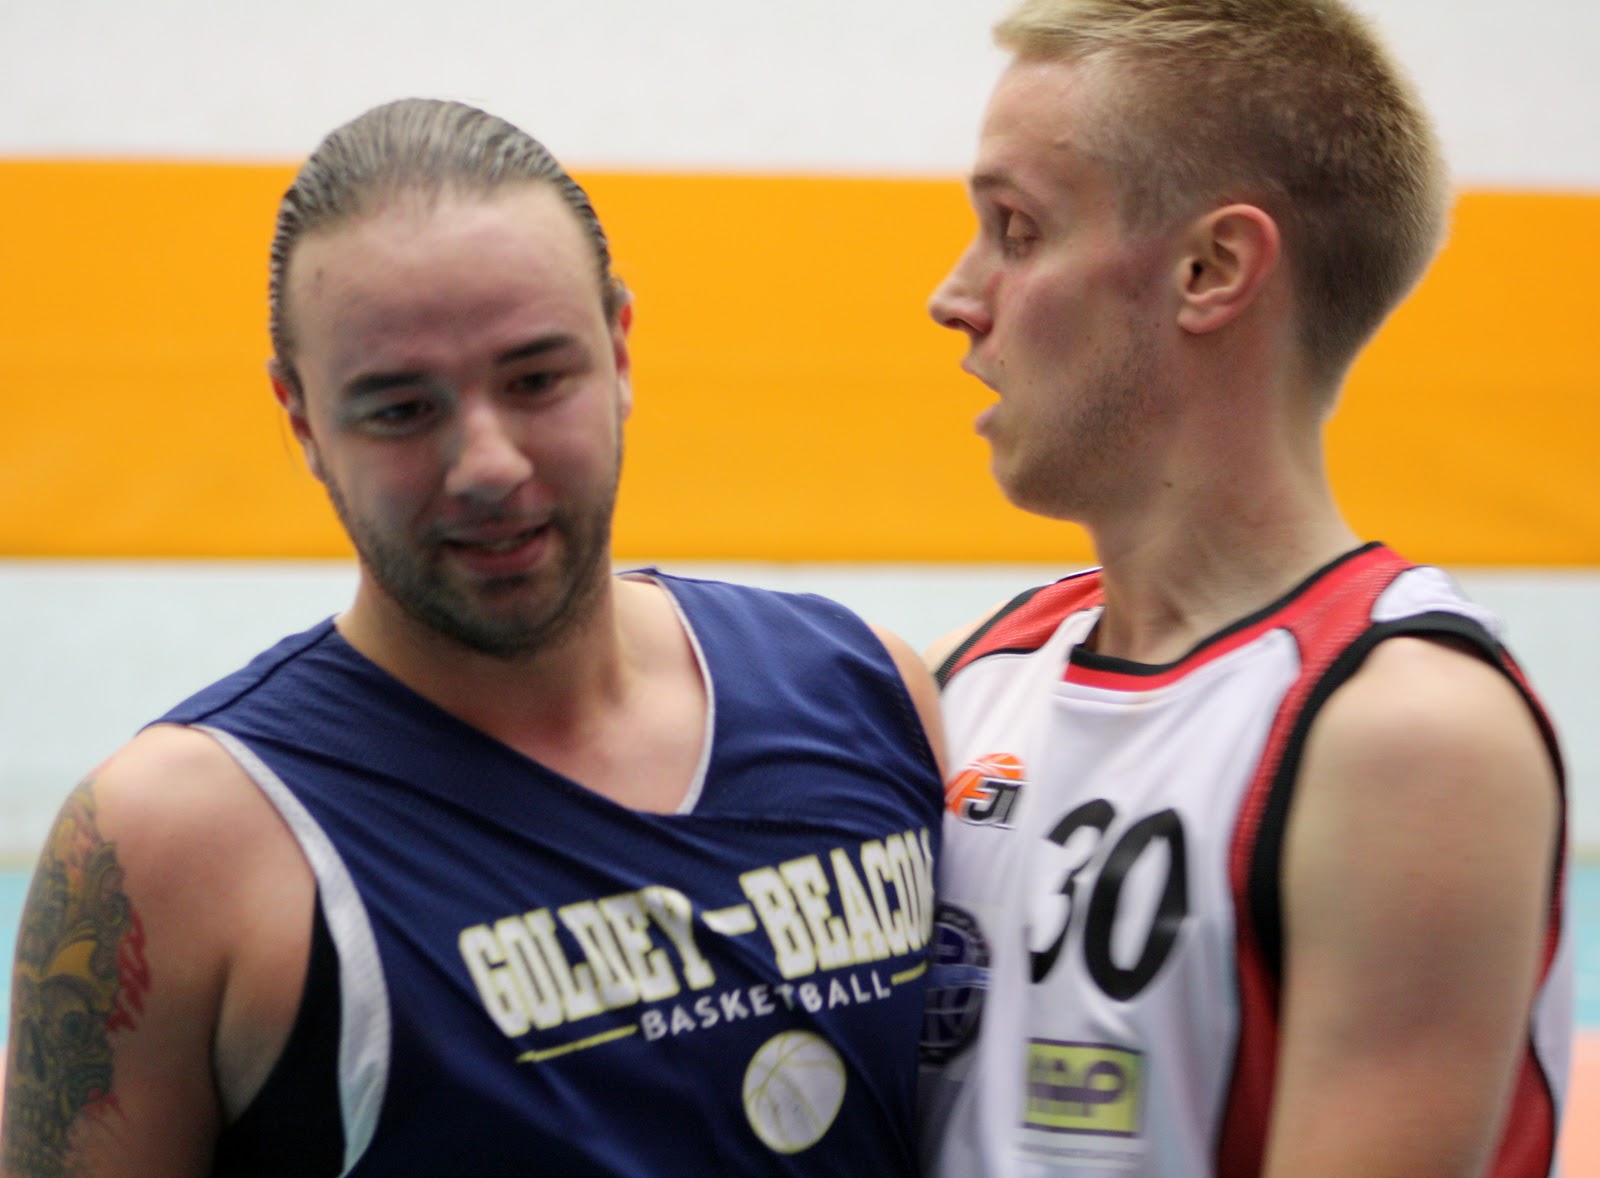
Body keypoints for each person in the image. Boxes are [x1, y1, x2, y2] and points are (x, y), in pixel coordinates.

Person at [1, 98, 946, 1177]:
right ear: (301, 417)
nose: (487, 463)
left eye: (536, 380)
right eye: (401, 409)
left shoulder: (864, 694)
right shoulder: (177, 847)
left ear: (620, 350)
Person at [915, 1, 1570, 1175]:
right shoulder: (970, 673)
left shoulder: (1407, 734)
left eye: (1015, 230)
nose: (954, 296)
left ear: (1209, 269)